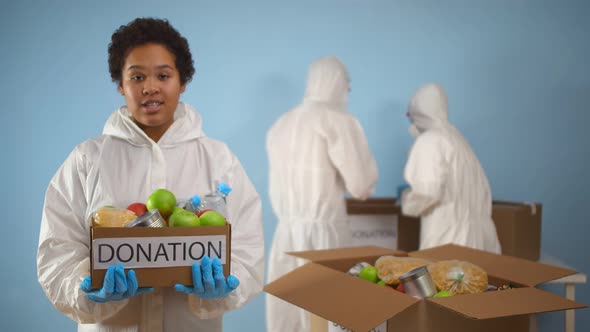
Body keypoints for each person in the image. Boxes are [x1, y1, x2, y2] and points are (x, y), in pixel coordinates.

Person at [36, 18, 264, 331]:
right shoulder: (87, 159)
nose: (150, 87)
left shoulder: (219, 158)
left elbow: (248, 248)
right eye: (137, 76)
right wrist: (87, 287)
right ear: (120, 84)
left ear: (183, 81)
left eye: (163, 75)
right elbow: (56, 251)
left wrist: (224, 284)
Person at [265, 56, 378, 332]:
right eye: (347, 84)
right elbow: (361, 186)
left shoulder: (282, 123)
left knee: (289, 319)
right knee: (327, 318)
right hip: (325, 239)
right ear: (337, 84)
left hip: (286, 237)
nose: (348, 91)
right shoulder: (337, 121)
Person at [400, 82, 501, 254]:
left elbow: (426, 193)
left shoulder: (430, 141)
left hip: (448, 242)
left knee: (445, 280)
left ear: (417, 114)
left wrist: (406, 201)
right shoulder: (459, 141)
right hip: (481, 244)